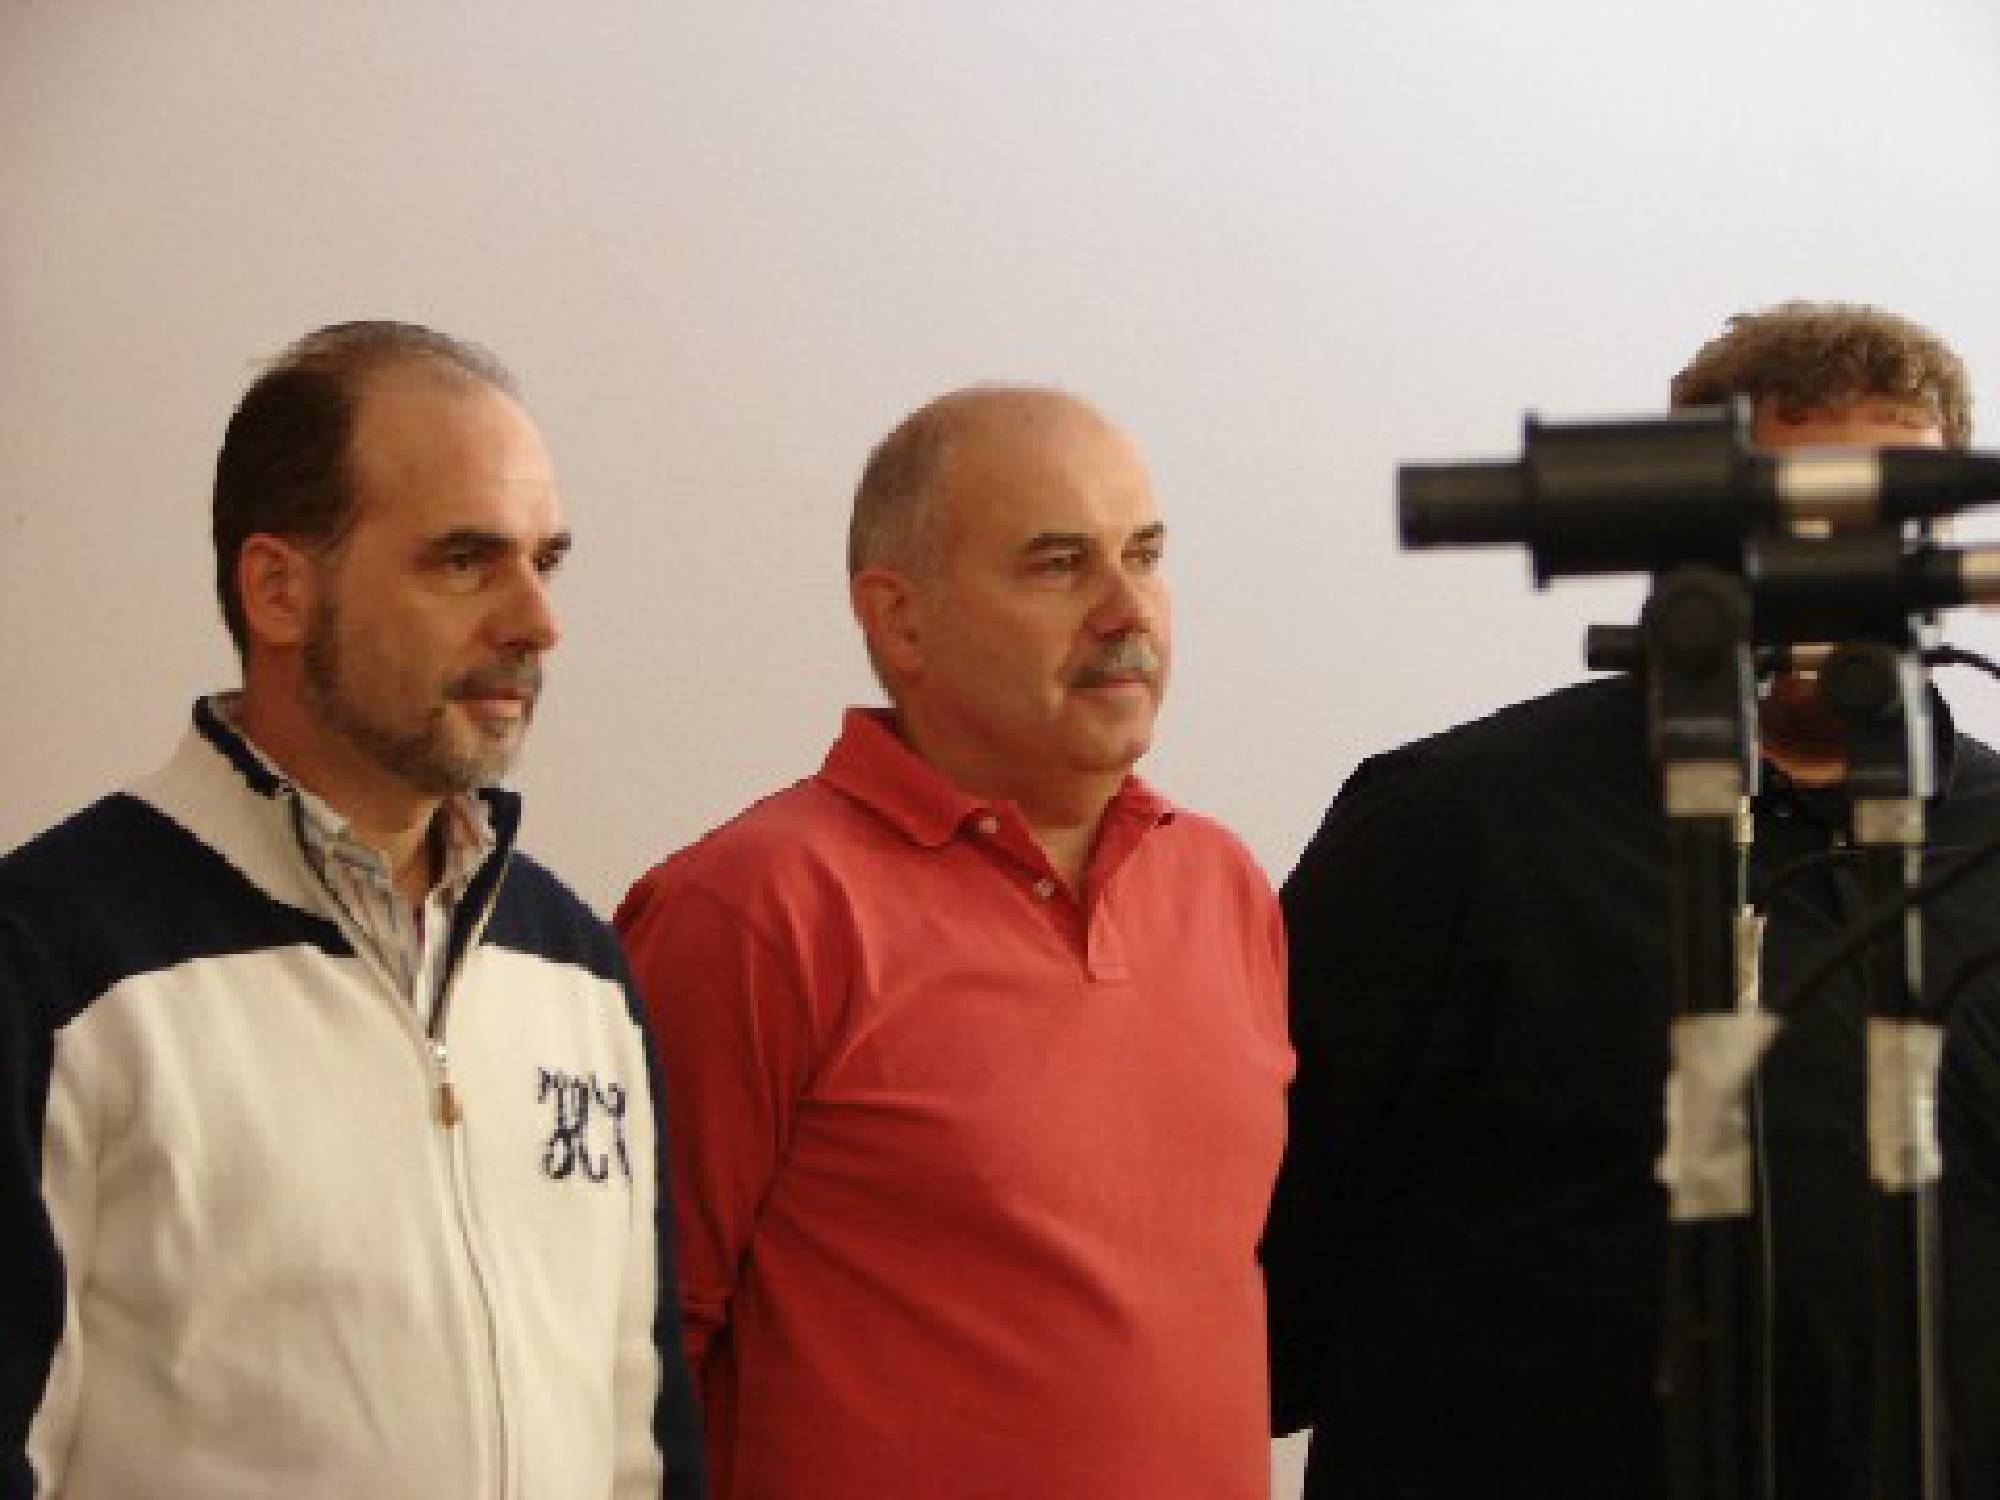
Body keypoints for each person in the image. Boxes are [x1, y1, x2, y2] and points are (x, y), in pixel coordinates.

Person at [1262, 299, 2000, 1499]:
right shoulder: (1456, 822)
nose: (1841, 563)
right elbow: (1272, 1243)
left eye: (1885, 514)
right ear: (1681, 530)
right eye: (1796, 513)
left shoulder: (1984, 841)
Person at [0, 322, 703, 1499]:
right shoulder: (51, 961)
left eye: (546, 560)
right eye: (465, 560)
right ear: (278, 589)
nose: (536, 621)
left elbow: (642, 1436)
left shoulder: (576, 967)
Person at [615, 386, 1293, 1499]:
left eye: (1144, 555)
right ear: (900, 619)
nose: (1126, 610)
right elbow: (624, 1370)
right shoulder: (755, 909)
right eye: (1058, 565)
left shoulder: (1222, 887)